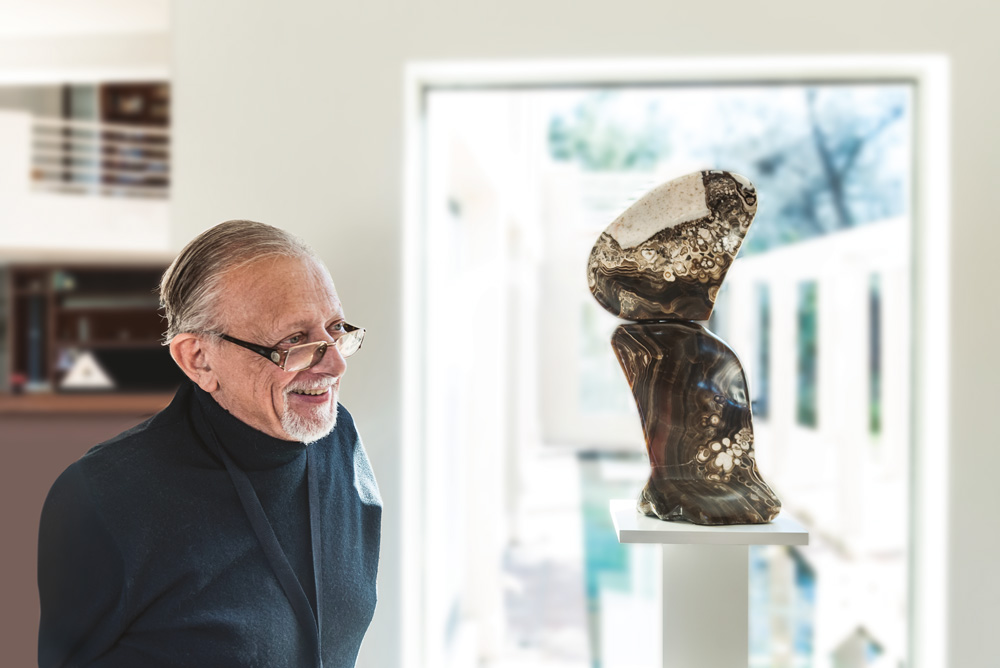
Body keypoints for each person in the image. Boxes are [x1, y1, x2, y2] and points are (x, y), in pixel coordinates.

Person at [37, 220, 382, 668]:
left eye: (335, 329)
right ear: (198, 359)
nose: (335, 364)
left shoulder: (339, 440)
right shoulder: (100, 496)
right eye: (294, 341)